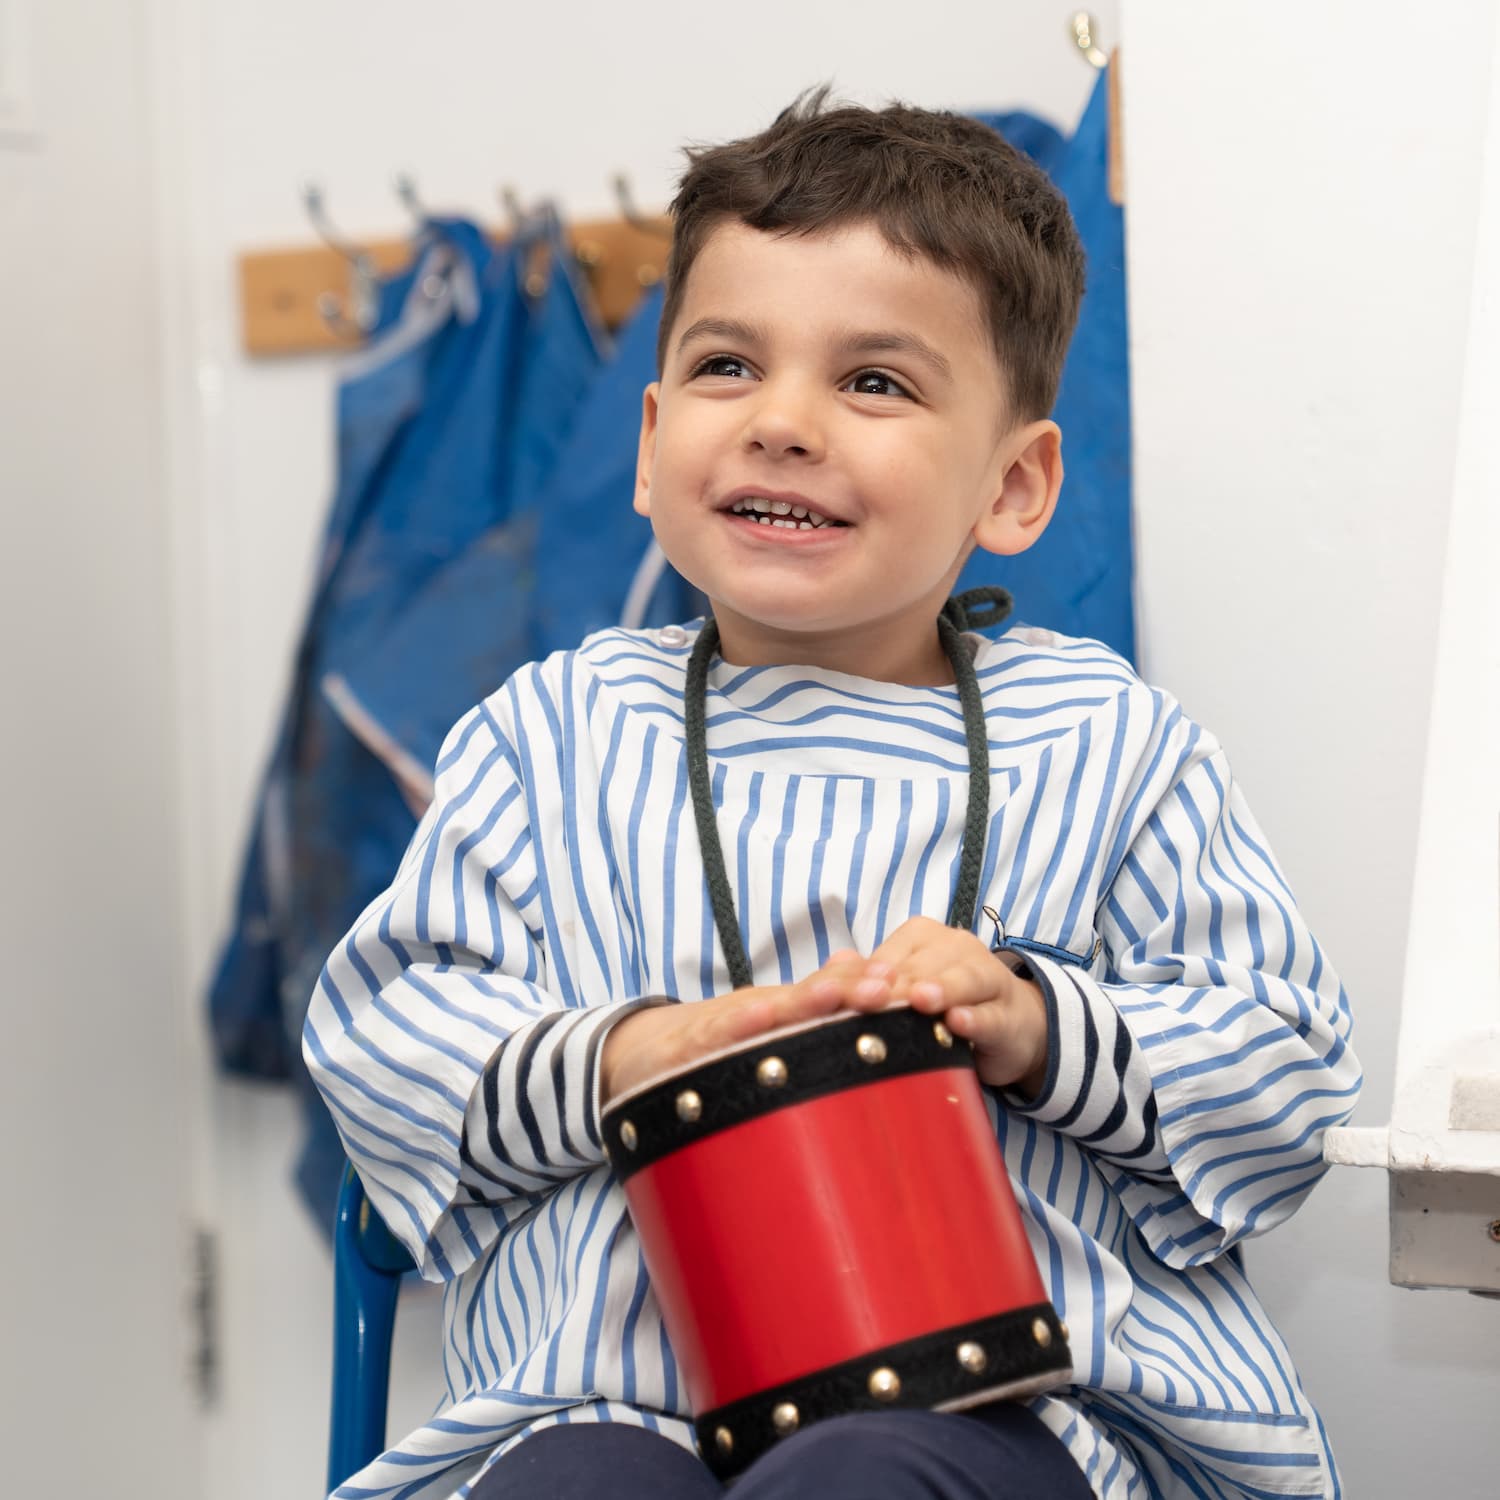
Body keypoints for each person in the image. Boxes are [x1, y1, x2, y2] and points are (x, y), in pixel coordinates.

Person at [305, 86, 1361, 1500]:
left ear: (1016, 485)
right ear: (648, 445)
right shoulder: (550, 734)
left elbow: (1285, 1067)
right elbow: (382, 1035)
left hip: (1011, 1415)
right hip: (604, 1402)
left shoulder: (1111, 745)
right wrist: (628, 1054)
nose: (784, 422)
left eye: (874, 383)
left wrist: (1039, 1022)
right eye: (729, 365)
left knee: (858, 1474)